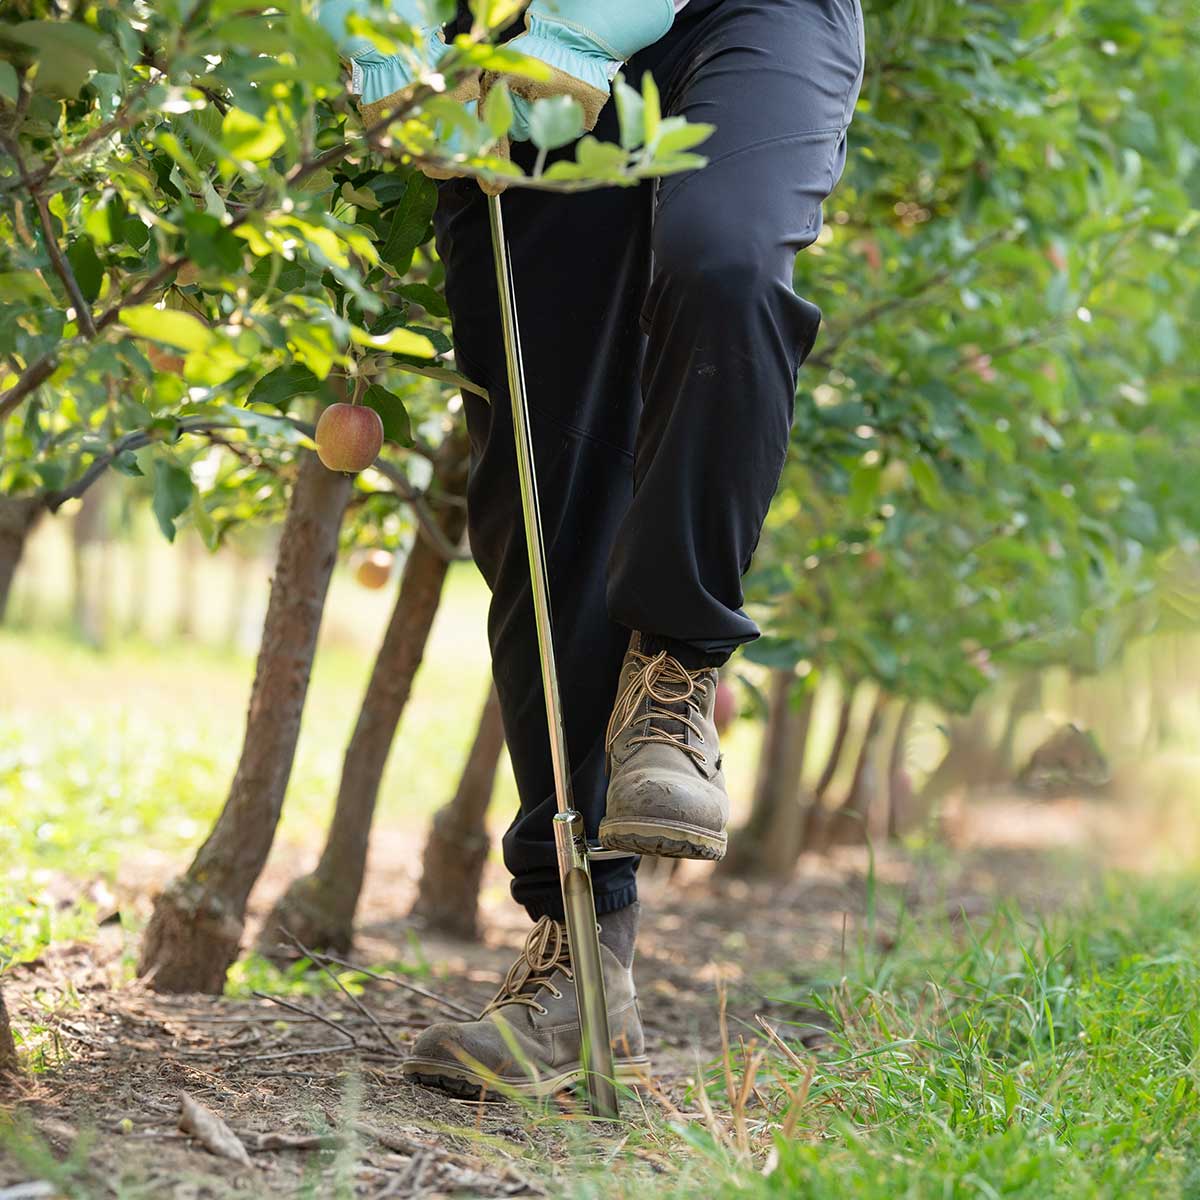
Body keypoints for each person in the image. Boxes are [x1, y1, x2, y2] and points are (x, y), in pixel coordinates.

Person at [318, 0, 864, 1098]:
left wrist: (563, 47)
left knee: (727, 266)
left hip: (739, 17)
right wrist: (386, 47)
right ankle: (580, 943)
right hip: (504, 38)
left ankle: (676, 672)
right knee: (546, 476)